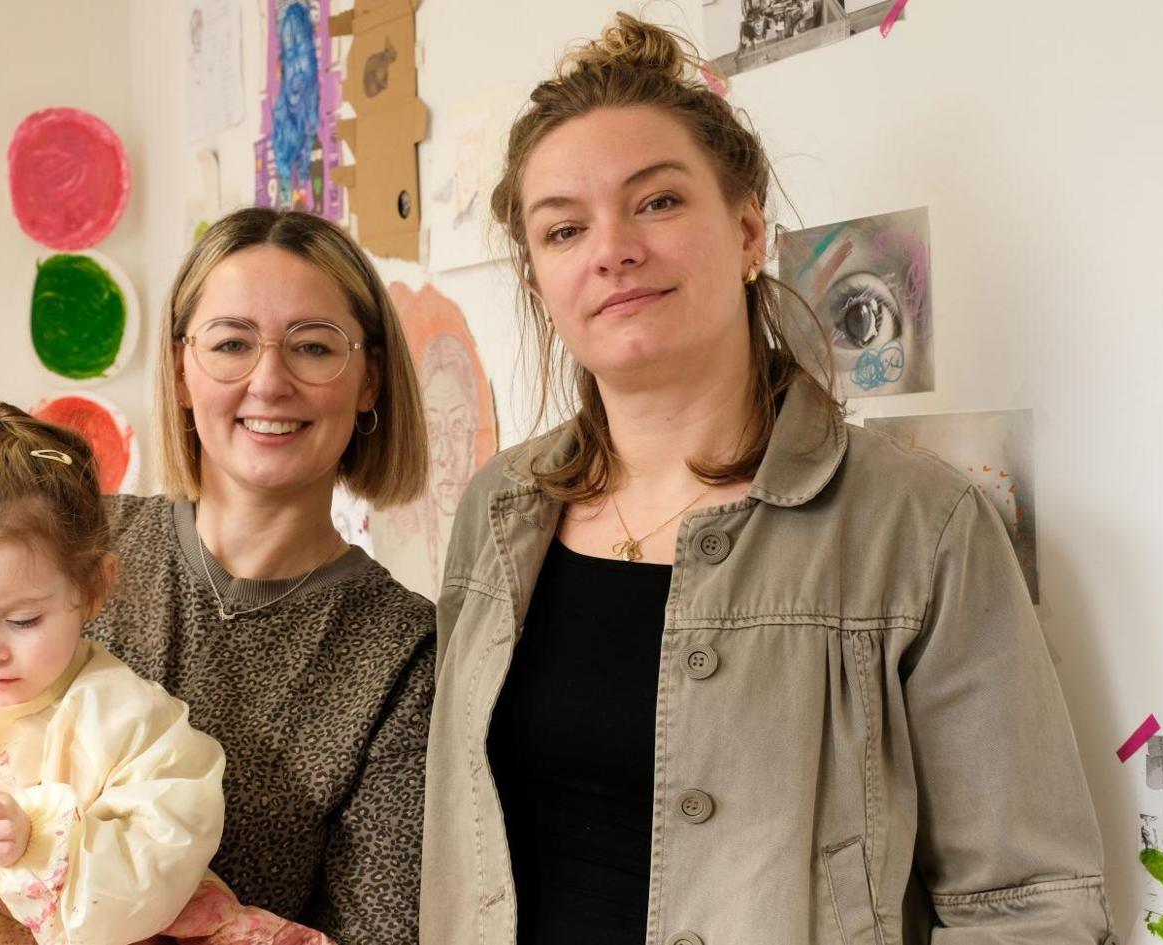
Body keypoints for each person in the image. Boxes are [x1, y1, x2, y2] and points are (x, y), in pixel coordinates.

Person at [421, 13, 1114, 945]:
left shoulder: (920, 526)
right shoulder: (499, 509)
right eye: (563, 228)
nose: (611, 248)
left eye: (657, 202)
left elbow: (1030, 903)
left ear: (748, 231)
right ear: (541, 276)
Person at [0, 405, 331, 945]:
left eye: (22, 620)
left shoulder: (130, 720)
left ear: (92, 587)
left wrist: (37, 838)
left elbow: (159, 859)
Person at [91, 205, 435, 945]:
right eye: (231, 343)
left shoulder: (403, 649)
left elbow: (378, 932)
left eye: (313, 347)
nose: (269, 381)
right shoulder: (78, 544)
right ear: (183, 370)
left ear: (369, 380)